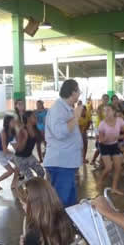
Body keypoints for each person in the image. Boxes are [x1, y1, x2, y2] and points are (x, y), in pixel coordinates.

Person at [43, 79, 83, 207]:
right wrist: (76, 117)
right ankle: (58, 221)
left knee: (70, 204)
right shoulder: (57, 109)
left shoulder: (67, 109)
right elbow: (59, 133)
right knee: (61, 202)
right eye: (78, 90)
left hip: (67, 163)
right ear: (73, 92)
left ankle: (67, 220)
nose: (80, 93)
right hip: (61, 164)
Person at [97, 105, 124, 195]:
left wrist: (117, 137)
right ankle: (100, 180)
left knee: (118, 167)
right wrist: (107, 138)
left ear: (114, 111)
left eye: (108, 110)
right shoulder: (102, 124)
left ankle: (114, 188)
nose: (106, 112)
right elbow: (101, 140)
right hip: (104, 146)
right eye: (105, 111)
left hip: (114, 145)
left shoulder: (119, 121)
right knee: (108, 167)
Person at [13, 111, 45, 184]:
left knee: (41, 172)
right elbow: (19, 149)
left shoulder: (36, 130)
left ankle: (37, 188)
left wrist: (40, 158)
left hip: (29, 156)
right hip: (20, 158)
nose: (36, 118)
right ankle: (23, 186)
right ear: (28, 119)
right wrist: (25, 138)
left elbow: (38, 145)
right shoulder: (22, 130)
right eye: (34, 116)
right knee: (30, 178)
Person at [0, 115, 18, 192]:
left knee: (19, 164)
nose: (14, 123)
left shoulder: (13, 131)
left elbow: (15, 146)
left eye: (14, 121)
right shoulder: (3, 132)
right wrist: (14, 153)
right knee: (10, 171)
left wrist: (20, 152)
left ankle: (14, 183)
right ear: (7, 123)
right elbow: (4, 150)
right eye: (12, 121)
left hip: (4, 151)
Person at [90, 94, 110, 167]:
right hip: (100, 127)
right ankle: (93, 160)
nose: (105, 100)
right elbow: (101, 118)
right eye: (104, 98)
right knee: (100, 146)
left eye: (106, 99)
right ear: (102, 99)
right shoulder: (100, 107)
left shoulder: (109, 107)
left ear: (108, 99)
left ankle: (101, 161)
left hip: (106, 128)